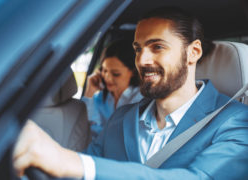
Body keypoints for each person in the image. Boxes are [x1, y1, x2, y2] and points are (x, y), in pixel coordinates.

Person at [13, 7, 248, 179]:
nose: (142, 61)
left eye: (157, 47)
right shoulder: (121, 118)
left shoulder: (236, 121)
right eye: (138, 49)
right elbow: (83, 165)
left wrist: (72, 163)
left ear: (193, 52)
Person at [82, 39, 143, 139]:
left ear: (133, 72)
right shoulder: (100, 97)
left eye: (116, 74)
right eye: (104, 71)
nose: (107, 78)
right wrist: (89, 92)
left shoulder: (141, 100)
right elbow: (84, 125)